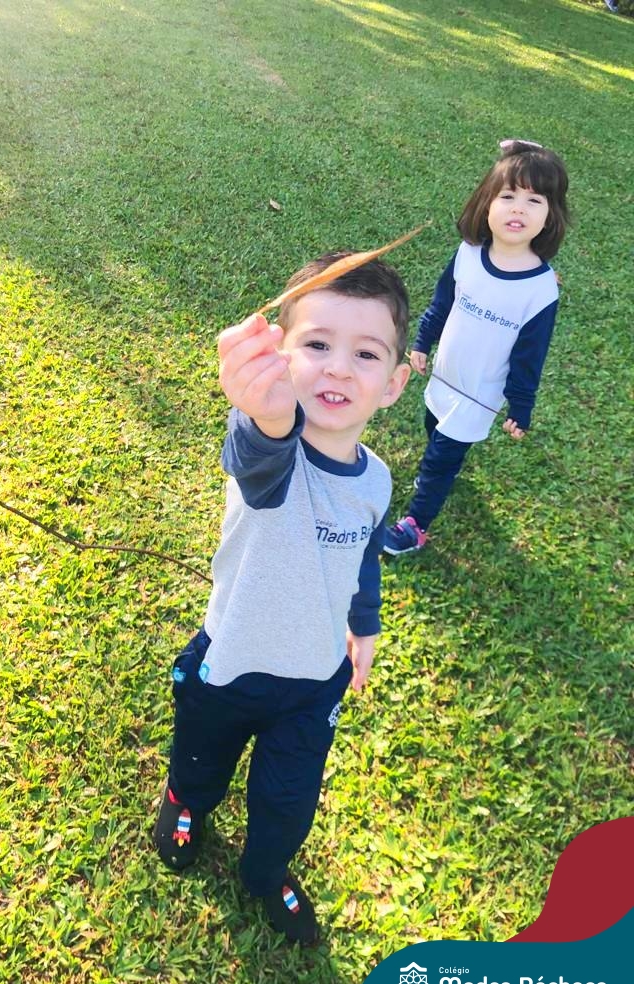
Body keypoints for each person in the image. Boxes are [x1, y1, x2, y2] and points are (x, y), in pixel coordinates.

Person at [153, 254, 411, 943]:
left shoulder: (378, 480)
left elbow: (363, 555)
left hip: (313, 681)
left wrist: (364, 625)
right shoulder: (271, 457)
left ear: (394, 383)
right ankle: (185, 803)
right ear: (280, 354)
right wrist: (266, 415)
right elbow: (257, 446)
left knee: (289, 801)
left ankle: (266, 872)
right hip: (229, 666)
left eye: (366, 354)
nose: (338, 369)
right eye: (317, 344)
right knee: (200, 761)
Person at [383, 140, 570, 555]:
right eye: (508, 196)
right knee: (433, 426)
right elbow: (441, 304)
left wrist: (521, 407)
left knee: (440, 459)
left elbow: (529, 358)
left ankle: (416, 525)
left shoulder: (540, 291)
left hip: (479, 395)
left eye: (534, 200)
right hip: (444, 376)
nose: (519, 209)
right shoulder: (468, 255)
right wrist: (422, 341)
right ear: (487, 202)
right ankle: (444, 470)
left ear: (550, 216)